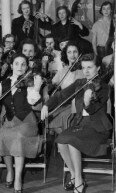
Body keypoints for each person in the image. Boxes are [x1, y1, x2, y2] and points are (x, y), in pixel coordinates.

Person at [41, 53, 112, 193]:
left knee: (73, 141)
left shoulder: (103, 87)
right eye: (84, 67)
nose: (86, 71)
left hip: (97, 127)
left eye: (90, 67)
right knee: (60, 141)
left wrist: (87, 101)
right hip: (81, 124)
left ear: (98, 68)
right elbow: (61, 95)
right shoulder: (80, 83)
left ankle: (78, 180)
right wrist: (46, 105)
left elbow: (93, 109)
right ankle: (73, 173)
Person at [0, 53, 43, 193]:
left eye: (23, 64)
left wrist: (37, 88)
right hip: (10, 120)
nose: (20, 67)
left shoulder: (29, 82)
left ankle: (18, 177)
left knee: (18, 139)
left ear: (27, 67)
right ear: (12, 66)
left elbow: (32, 100)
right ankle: (10, 171)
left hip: (26, 121)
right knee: (2, 139)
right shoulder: (5, 82)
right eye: (17, 63)